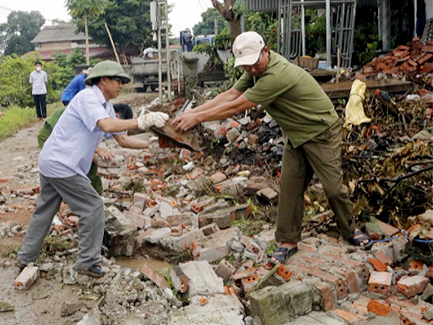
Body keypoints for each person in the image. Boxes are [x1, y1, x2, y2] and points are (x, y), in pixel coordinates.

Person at [172, 31, 372, 266]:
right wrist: (193, 112)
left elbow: (237, 106)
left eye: (255, 63)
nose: (252, 70)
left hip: (321, 132)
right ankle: (287, 242)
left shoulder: (276, 74)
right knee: (289, 187)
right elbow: (231, 93)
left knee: (334, 189)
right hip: (297, 135)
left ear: (266, 51)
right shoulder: (255, 70)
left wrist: (197, 119)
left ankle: (350, 231)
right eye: (246, 66)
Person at [18, 61, 168, 277]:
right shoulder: (88, 97)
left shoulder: (104, 106)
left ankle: (25, 257)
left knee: (45, 211)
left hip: (52, 161)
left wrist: (155, 144)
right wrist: (141, 121)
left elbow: (123, 141)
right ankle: (87, 262)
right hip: (62, 164)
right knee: (93, 206)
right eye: (118, 81)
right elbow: (107, 126)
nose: (121, 85)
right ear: (103, 80)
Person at [38, 103, 147, 194]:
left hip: (72, 138)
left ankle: (96, 195)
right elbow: (75, 139)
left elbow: (123, 140)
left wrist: (150, 145)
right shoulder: (95, 112)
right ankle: (77, 198)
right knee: (67, 167)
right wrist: (98, 150)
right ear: (117, 116)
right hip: (50, 134)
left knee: (89, 162)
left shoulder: (107, 115)